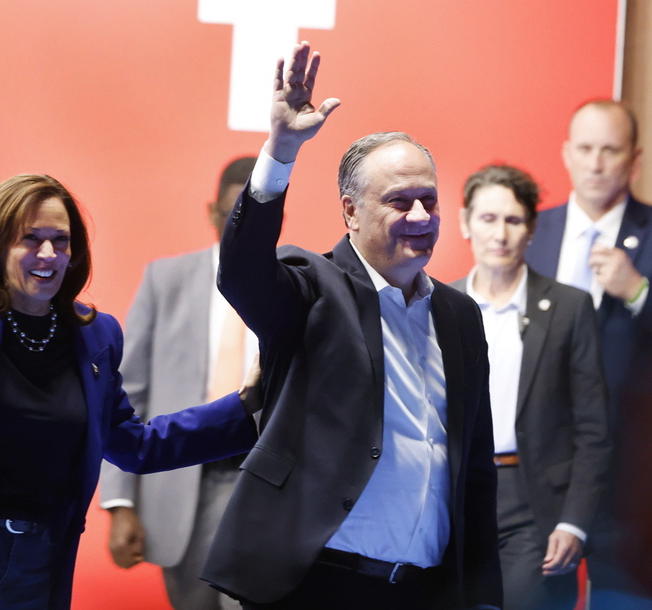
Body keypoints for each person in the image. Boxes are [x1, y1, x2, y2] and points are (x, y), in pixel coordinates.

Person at [0, 70, 260, 610]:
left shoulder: (94, 335)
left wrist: (249, 405)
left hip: (35, 560)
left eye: (60, 241)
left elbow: (135, 444)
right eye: (31, 240)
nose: (47, 255)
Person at [200, 41, 502, 610]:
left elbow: (474, 469)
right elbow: (240, 272)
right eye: (399, 202)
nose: (420, 218)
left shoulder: (460, 316)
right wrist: (282, 149)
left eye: (429, 202)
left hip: (425, 591)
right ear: (350, 212)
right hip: (318, 586)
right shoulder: (312, 288)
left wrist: (483, 596)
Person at [98, 156, 258, 610]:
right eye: (234, 211)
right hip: (187, 484)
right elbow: (126, 395)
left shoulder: (299, 283)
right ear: (212, 212)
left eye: (262, 211)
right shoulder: (164, 281)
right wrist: (120, 502)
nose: (245, 224)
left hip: (265, 484)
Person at [450, 164, 611, 610]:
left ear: (532, 228)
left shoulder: (569, 308)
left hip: (534, 501)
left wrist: (574, 523)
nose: (500, 234)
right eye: (487, 219)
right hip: (458, 495)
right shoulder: (440, 305)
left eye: (513, 220)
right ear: (465, 223)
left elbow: (593, 430)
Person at [526, 100, 652, 607]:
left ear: (634, 159)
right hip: (542, 471)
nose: (596, 163)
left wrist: (640, 291)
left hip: (633, 479)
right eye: (585, 149)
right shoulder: (529, 233)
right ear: (566, 154)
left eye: (610, 150)